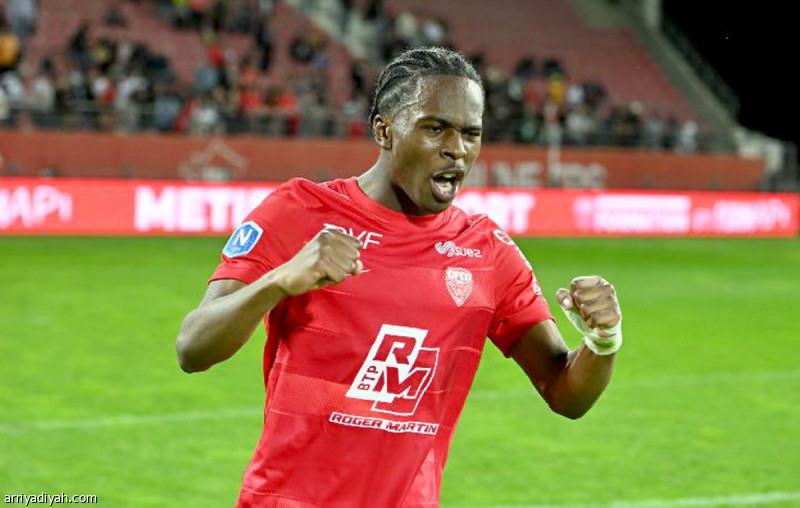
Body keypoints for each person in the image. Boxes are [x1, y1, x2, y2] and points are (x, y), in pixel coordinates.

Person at [175, 47, 623, 507]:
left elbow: (565, 393)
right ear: (384, 131)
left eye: (471, 133)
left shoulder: (487, 252)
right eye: (435, 128)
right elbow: (193, 347)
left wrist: (603, 340)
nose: (457, 148)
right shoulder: (300, 212)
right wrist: (280, 281)